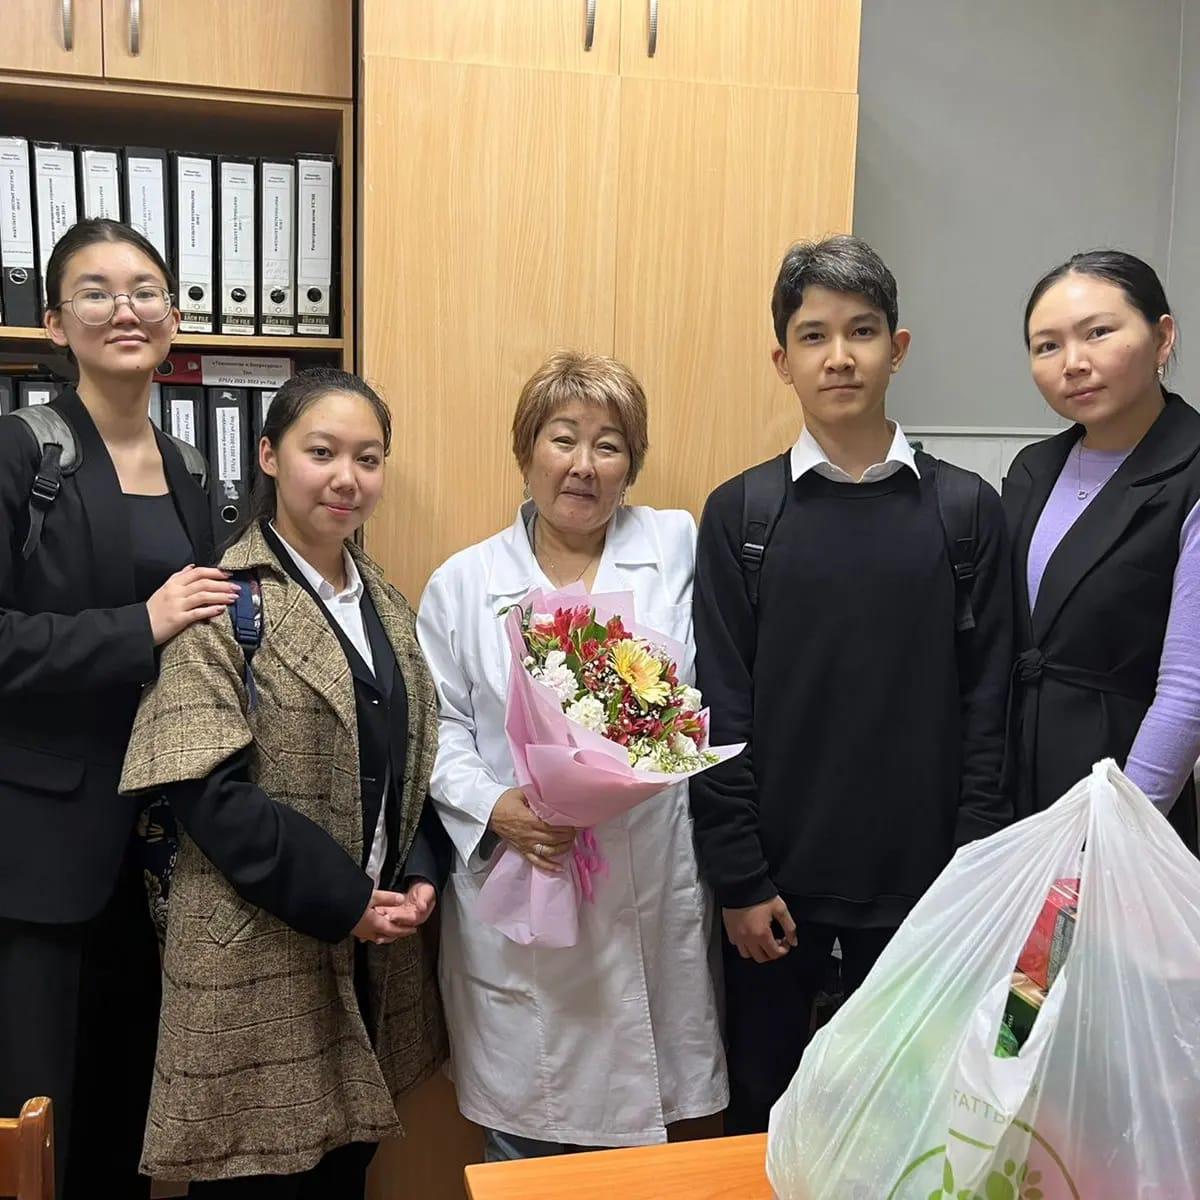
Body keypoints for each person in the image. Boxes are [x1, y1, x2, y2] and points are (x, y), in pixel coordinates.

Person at [689, 235, 1013, 1134]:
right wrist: (739, 880)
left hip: (925, 893)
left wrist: (971, 876)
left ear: (897, 349)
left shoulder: (965, 512)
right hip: (775, 896)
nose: (839, 356)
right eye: (814, 335)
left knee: (908, 1129)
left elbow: (989, 705)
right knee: (763, 1125)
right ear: (782, 360)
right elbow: (718, 709)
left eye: (862, 331)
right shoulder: (743, 514)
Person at [119, 368, 449, 1196]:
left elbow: (415, 761)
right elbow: (208, 793)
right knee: (257, 1176)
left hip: (371, 955)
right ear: (268, 456)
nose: (347, 478)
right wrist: (345, 899)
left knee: (345, 1171)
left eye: (368, 458)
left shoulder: (387, 604)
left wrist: (419, 871)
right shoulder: (220, 601)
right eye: (322, 452)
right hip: (255, 959)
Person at [416, 350, 727, 1160]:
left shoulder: (678, 548)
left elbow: (716, 690)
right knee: (525, 1148)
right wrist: (495, 807)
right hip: (527, 884)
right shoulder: (464, 583)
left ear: (632, 466)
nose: (583, 465)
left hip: (649, 881)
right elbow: (436, 728)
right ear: (526, 451)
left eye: (608, 445)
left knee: (643, 1161)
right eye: (563, 438)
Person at [0, 218, 226, 1198]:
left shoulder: (190, 468)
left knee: (129, 1117)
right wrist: (139, 625)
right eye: (95, 291)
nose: (124, 308)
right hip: (40, 851)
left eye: (145, 290)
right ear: (55, 321)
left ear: (172, 314)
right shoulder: (21, 453)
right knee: (37, 1124)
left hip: (161, 844)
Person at [1005, 250, 1200, 851]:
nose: (1074, 364)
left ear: (1162, 337)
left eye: (1098, 333)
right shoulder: (1033, 469)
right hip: (1015, 778)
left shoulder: (1191, 472)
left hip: (1124, 790)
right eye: (1048, 346)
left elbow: (1188, 690)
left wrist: (1116, 837)